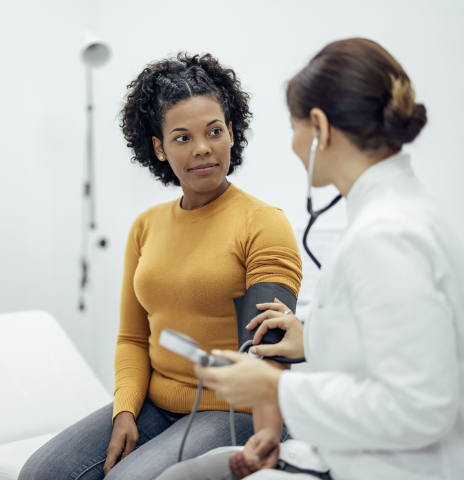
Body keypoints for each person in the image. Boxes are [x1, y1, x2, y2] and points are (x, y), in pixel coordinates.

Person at [157, 38, 464, 480]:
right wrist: (312, 339)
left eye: (294, 126)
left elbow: (420, 408)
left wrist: (277, 388)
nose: (295, 144)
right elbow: (392, 347)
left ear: (319, 126)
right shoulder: (399, 214)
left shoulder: (386, 236)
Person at [18, 53, 303, 480]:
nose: (202, 148)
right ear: (159, 147)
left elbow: (266, 353)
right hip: (156, 404)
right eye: (182, 137)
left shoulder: (263, 223)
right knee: (43, 472)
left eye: (214, 131)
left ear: (231, 133)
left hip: (234, 410)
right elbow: (133, 337)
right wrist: (125, 410)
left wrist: (267, 437)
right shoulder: (146, 226)